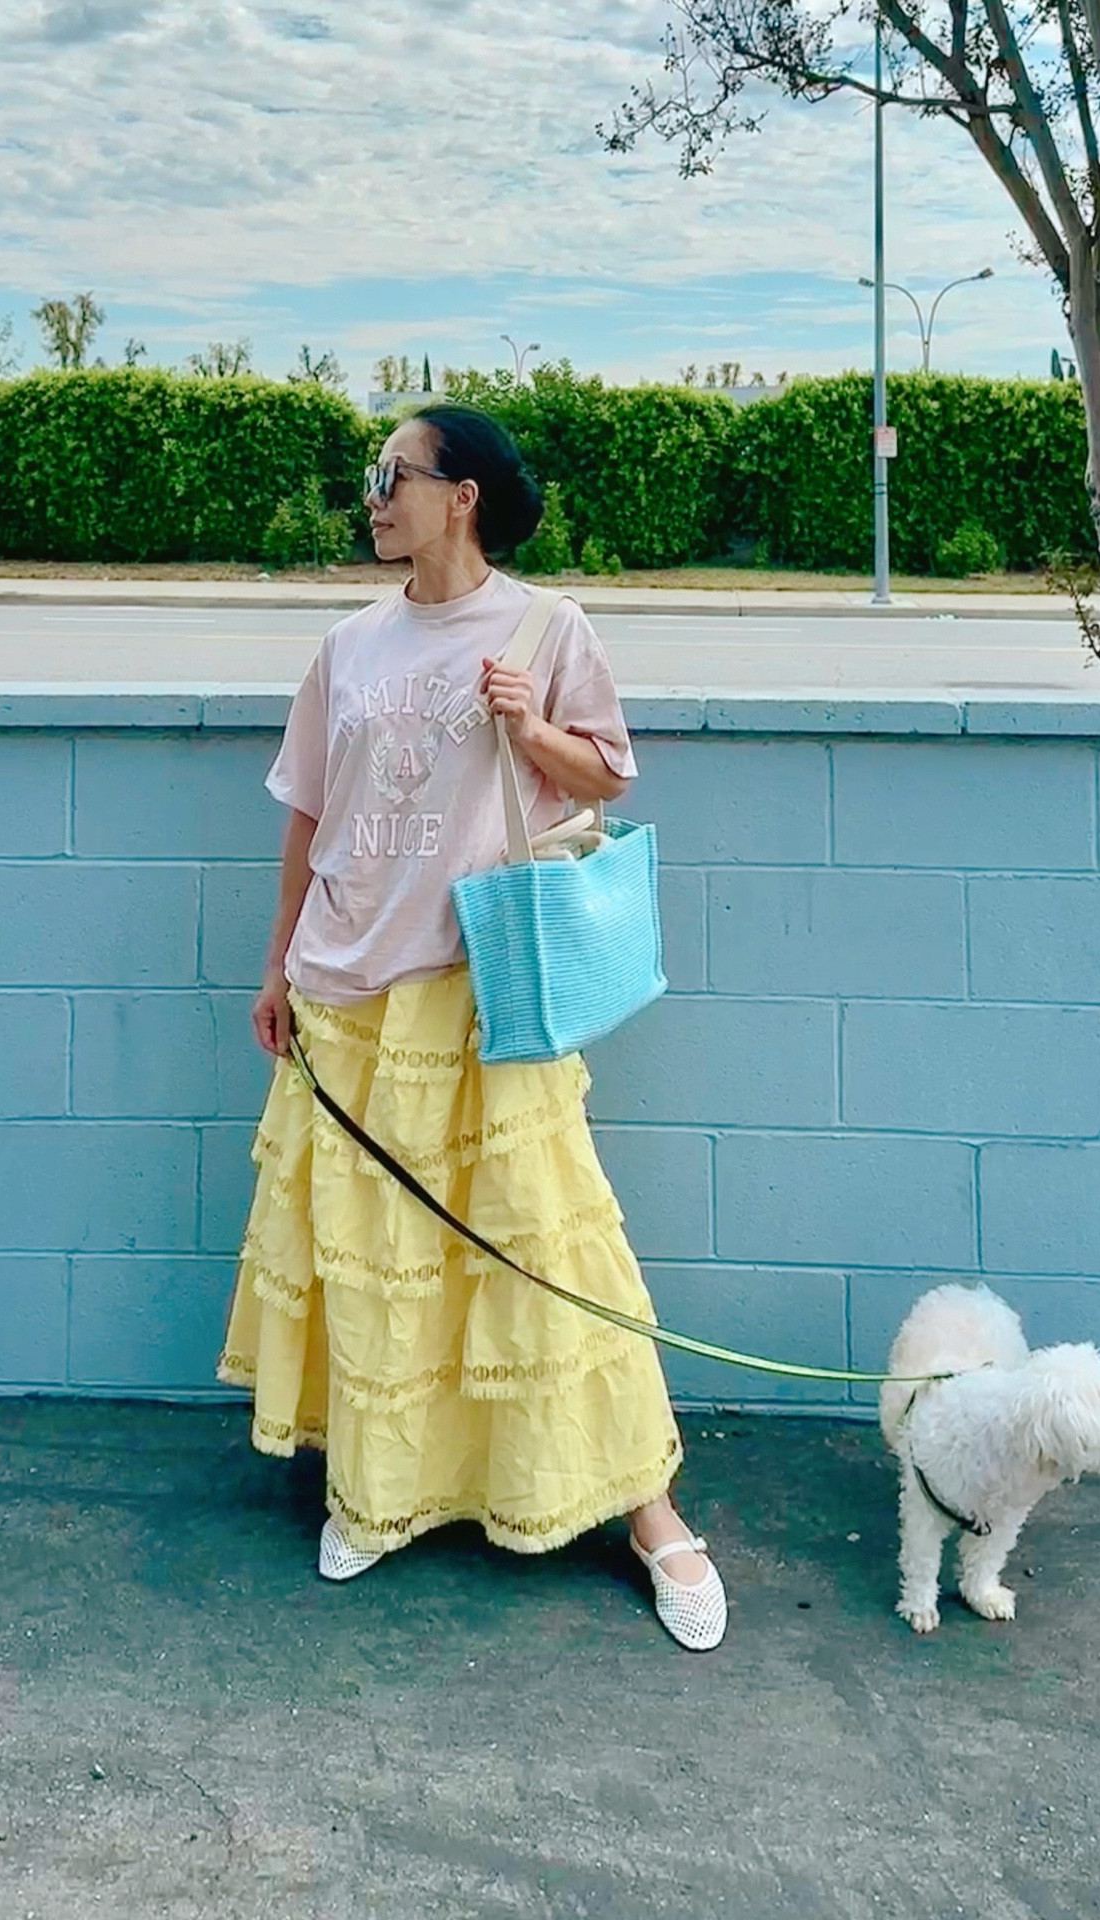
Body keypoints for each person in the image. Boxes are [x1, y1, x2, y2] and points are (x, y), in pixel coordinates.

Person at [217, 404, 727, 1651]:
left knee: (544, 1247)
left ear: (465, 497)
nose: (376, 494)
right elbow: (306, 817)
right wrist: (279, 963)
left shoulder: (548, 628)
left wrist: (526, 724)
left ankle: (651, 1515)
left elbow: (607, 774)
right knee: (371, 1250)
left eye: (397, 474)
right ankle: (379, 1493)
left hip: (483, 992)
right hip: (346, 992)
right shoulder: (347, 646)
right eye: (374, 476)